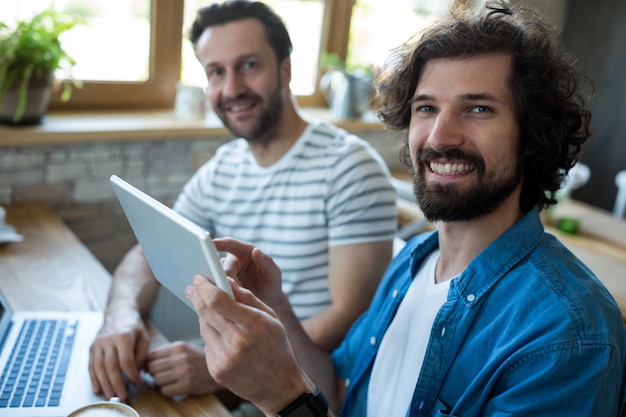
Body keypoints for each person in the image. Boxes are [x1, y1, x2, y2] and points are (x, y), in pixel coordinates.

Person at [185, 1, 626, 416]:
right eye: (426, 107)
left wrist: (284, 398)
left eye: (478, 108)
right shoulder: (412, 263)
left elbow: (305, 398)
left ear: (533, 135)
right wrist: (277, 308)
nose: (439, 137)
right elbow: (339, 391)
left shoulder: (568, 334)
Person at [88, 0, 398, 403]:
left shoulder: (349, 167)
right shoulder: (224, 166)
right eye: (216, 72)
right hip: (242, 373)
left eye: (249, 65)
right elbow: (148, 252)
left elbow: (350, 317)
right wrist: (120, 315)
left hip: (311, 392)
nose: (231, 88)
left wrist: (226, 367)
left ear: (285, 70)